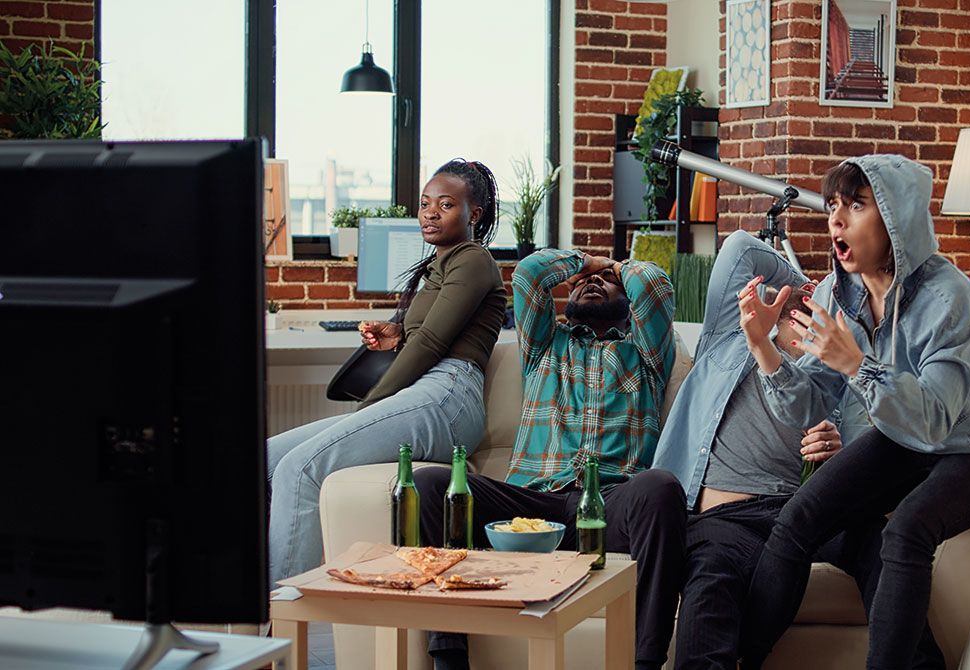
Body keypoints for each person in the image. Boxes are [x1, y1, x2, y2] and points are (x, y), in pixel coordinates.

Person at [736, 155, 970, 670]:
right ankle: (737, 661)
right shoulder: (837, 294)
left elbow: (934, 420)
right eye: (834, 205)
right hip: (908, 432)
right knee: (799, 516)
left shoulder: (949, 298)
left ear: (897, 219)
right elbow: (813, 404)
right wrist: (764, 348)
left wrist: (856, 363)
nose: (836, 219)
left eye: (856, 205)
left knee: (907, 531)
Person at [415, 248, 685, 670]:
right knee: (434, 484)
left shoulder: (647, 352)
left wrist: (613, 267)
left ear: (628, 303)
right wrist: (587, 264)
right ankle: (449, 657)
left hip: (610, 507)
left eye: (608, 282)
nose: (592, 283)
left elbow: (654, 285)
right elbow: (528, 274)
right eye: (579, 284)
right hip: (532, 508)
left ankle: (644, 663)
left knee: (661, 488)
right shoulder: (543, 345)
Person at [651, 230, 891, 669]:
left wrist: (838, 458)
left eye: (826, 301)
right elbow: (740, 246)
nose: (811, 303)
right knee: (710, 588)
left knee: (884, 542)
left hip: (804, 513)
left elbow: (875, 454)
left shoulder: (836, 367)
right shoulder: (730, 332)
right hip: (726, 520)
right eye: (809, 295)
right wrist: (806, 285)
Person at [266, 159, 506, 587]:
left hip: (448, 397)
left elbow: (433, 345)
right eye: (425, 203)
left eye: (446, 204)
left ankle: (281, 622)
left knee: (299, 468)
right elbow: (429, 332)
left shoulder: (473, 258)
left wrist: (368, 406)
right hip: (425, 392)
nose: (430, 213)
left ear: (474, 214)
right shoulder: (441, 263)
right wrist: (397, 332)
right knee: (268, 459)